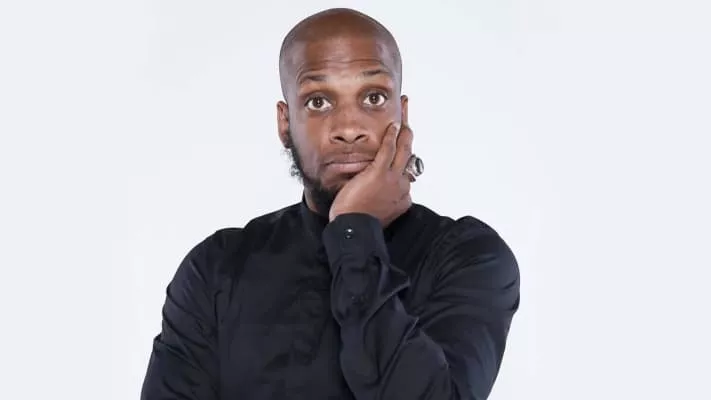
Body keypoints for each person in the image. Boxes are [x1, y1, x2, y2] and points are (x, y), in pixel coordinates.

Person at [140, 7, 520, 400]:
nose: (349, 129)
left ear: (402, 113)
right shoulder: (217, 269)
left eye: (373, 97)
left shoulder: (470, 258)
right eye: (319, 102)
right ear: (285, 123)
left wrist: (353, 229)